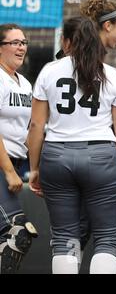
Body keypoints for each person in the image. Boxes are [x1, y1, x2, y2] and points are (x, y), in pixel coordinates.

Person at [27, 18, 116, 274]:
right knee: (107, 237)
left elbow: (36, 127)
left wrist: (35, 168)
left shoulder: (49, 71)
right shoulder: (112, 75)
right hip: (100, 156)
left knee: (65, 237)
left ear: (67, 42)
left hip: (56, 155)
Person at [0, 23, 38, 274]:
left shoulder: (24, 83)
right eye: (14, 42)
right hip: (2, 167)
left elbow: (29, 130)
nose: (21, 47)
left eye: (23, 42)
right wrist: (9, 172)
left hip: (15, 164)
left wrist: (35, 168)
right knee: (18, 231)